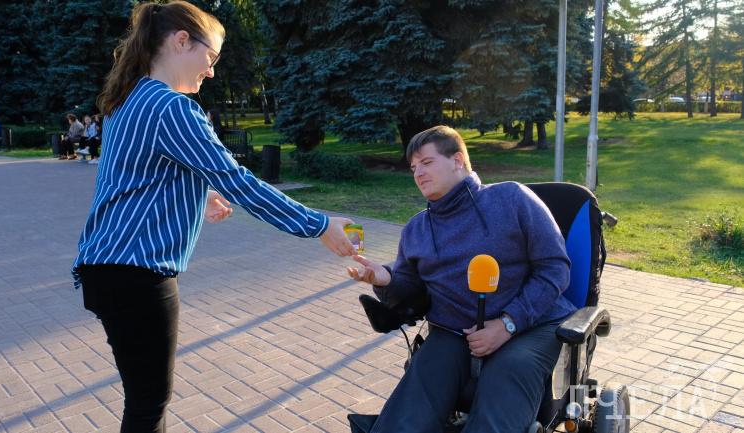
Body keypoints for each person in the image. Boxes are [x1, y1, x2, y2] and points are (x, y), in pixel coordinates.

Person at [72, 2, 355, 432]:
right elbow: (240, 182)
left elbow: (132, 178)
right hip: (138, 273)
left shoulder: (126, 101)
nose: (212, 71)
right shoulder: (172, 107)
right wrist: (317, 224)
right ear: (181, 41)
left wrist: (198, 194)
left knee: (145, 401)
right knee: (148, 405)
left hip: (105, 267)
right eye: (211, 57)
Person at [347, 125, 576, 433]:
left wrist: (508, 323)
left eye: (426, 162)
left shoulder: (511, 198)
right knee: (411, 408)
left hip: (532, 325)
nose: (418, 173)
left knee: (507, 374)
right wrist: (385, 279)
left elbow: (554, 268)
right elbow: (412, 294)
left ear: (457, 160)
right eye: (413, 168)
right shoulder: (417, 229)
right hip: (455, 331)